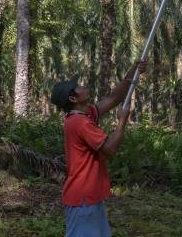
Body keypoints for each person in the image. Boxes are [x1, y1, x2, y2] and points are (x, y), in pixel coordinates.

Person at [51, 59, 148, 237]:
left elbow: (114, 98)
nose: (82, 86)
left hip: (90, 195)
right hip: (82, 198)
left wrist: (132, 72)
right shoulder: (80, 123)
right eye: (77, 87)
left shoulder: (85, 113)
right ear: (72, 98)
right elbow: (110, 149)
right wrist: (122, 121)